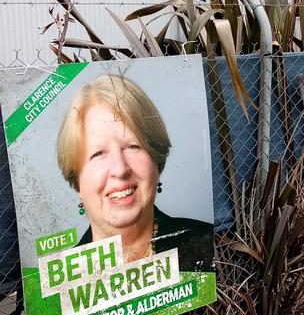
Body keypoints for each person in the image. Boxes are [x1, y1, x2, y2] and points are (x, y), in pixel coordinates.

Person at [56, 73, 213, 272]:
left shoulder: (205, 243)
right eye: (98, 153)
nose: (120, 169)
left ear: (155, 159)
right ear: (76, 177)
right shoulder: (58, 286)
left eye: (132, 146)